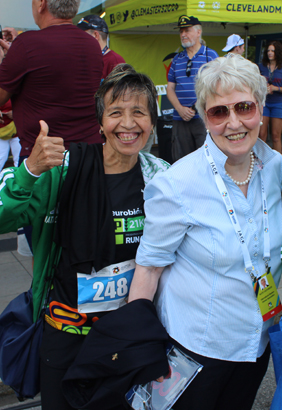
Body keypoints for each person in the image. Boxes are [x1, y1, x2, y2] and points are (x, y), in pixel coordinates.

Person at [0, 64, 169, 410]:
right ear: (100, 122)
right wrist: (30, 170)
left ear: (152, 122)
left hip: (127, 338)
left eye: (139, 112)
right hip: (66, 337)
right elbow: (5, 215)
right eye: (116, 112)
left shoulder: (162, 178)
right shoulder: (63, 169)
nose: (127, 124)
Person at [129, 55, 282, 410]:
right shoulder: (177, 184)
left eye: (244, 107)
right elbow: (150, 267)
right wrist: (140, 345)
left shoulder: (275, 167)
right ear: (204, 116)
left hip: (256, 343)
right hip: (195, 351)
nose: (234, 123)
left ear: (261, 108)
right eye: (219, 112)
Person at [0, 0, 102, 160]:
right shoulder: (92, 44)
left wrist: (12, 57)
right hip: (88, 154)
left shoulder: (26, 44)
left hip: (44, 159)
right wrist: (16, 54)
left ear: (41, 3)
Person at [167, 15, 218, 162]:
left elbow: (216, 86)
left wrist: (199, 107)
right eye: (181, 31)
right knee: (181, 161)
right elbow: (170, 88)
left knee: (207, 159)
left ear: (198, 32)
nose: (183, 35)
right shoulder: (177, 59)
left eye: (187, 30)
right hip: (180, 119)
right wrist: (180, 108)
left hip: (204, 119)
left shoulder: (210, 56)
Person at [258, 41, 282, 152]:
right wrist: (263, 88)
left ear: (277, 52)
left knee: (276, 136)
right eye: (268, 50)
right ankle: (260, 161)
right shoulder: (261, 66)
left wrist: (275, 88)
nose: (270, 53)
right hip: (264, 103)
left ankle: (279, 162)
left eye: (272, 50)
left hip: (278, 103)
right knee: (261, 134)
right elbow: (255, 83)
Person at [77, 14, 126, 80]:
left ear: (95, 35)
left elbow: (121, 89)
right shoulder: (85, 60)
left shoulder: (115, 61)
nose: (78, 39)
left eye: (82, 35)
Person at [0, 100, 21, 169]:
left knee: (20, 159)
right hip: (1, 133)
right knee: (1, 158)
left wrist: (16, 113)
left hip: (17, 130)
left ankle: (19, 179)